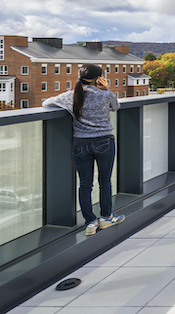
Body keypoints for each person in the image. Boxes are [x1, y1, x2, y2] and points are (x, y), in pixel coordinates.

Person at [43, 64, 124, 236]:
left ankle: (90, 222)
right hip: (104, 142)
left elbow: (46, 102)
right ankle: (106, 217)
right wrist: (107, 89)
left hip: (80, 143)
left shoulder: (71, 96)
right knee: (105, 181)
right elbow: (116, 107)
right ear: (99, 78)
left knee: (85, 185)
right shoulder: (106, 94)